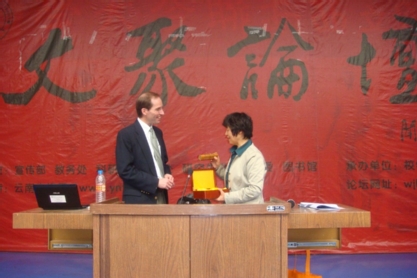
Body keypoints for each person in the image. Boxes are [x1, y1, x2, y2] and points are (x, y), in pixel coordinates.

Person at [116, 91, 174, 204]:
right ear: (144, 111)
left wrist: (166, 173)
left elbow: (163, 162)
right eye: (157, 109)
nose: (162, 113)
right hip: (140, 200)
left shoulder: (158, 133)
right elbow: (125, 170)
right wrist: (155, 182)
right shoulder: (127, 134)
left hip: (161, 196)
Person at [211, 112, 266, 204]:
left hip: (249, 214)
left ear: (240, 133)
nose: (225, 134)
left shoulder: (254, 156)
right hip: (236, 212)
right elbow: (236, 180)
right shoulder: (237, 152)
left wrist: (227, 196)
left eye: (228, 130)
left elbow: (254, 190)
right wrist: (218, 167)